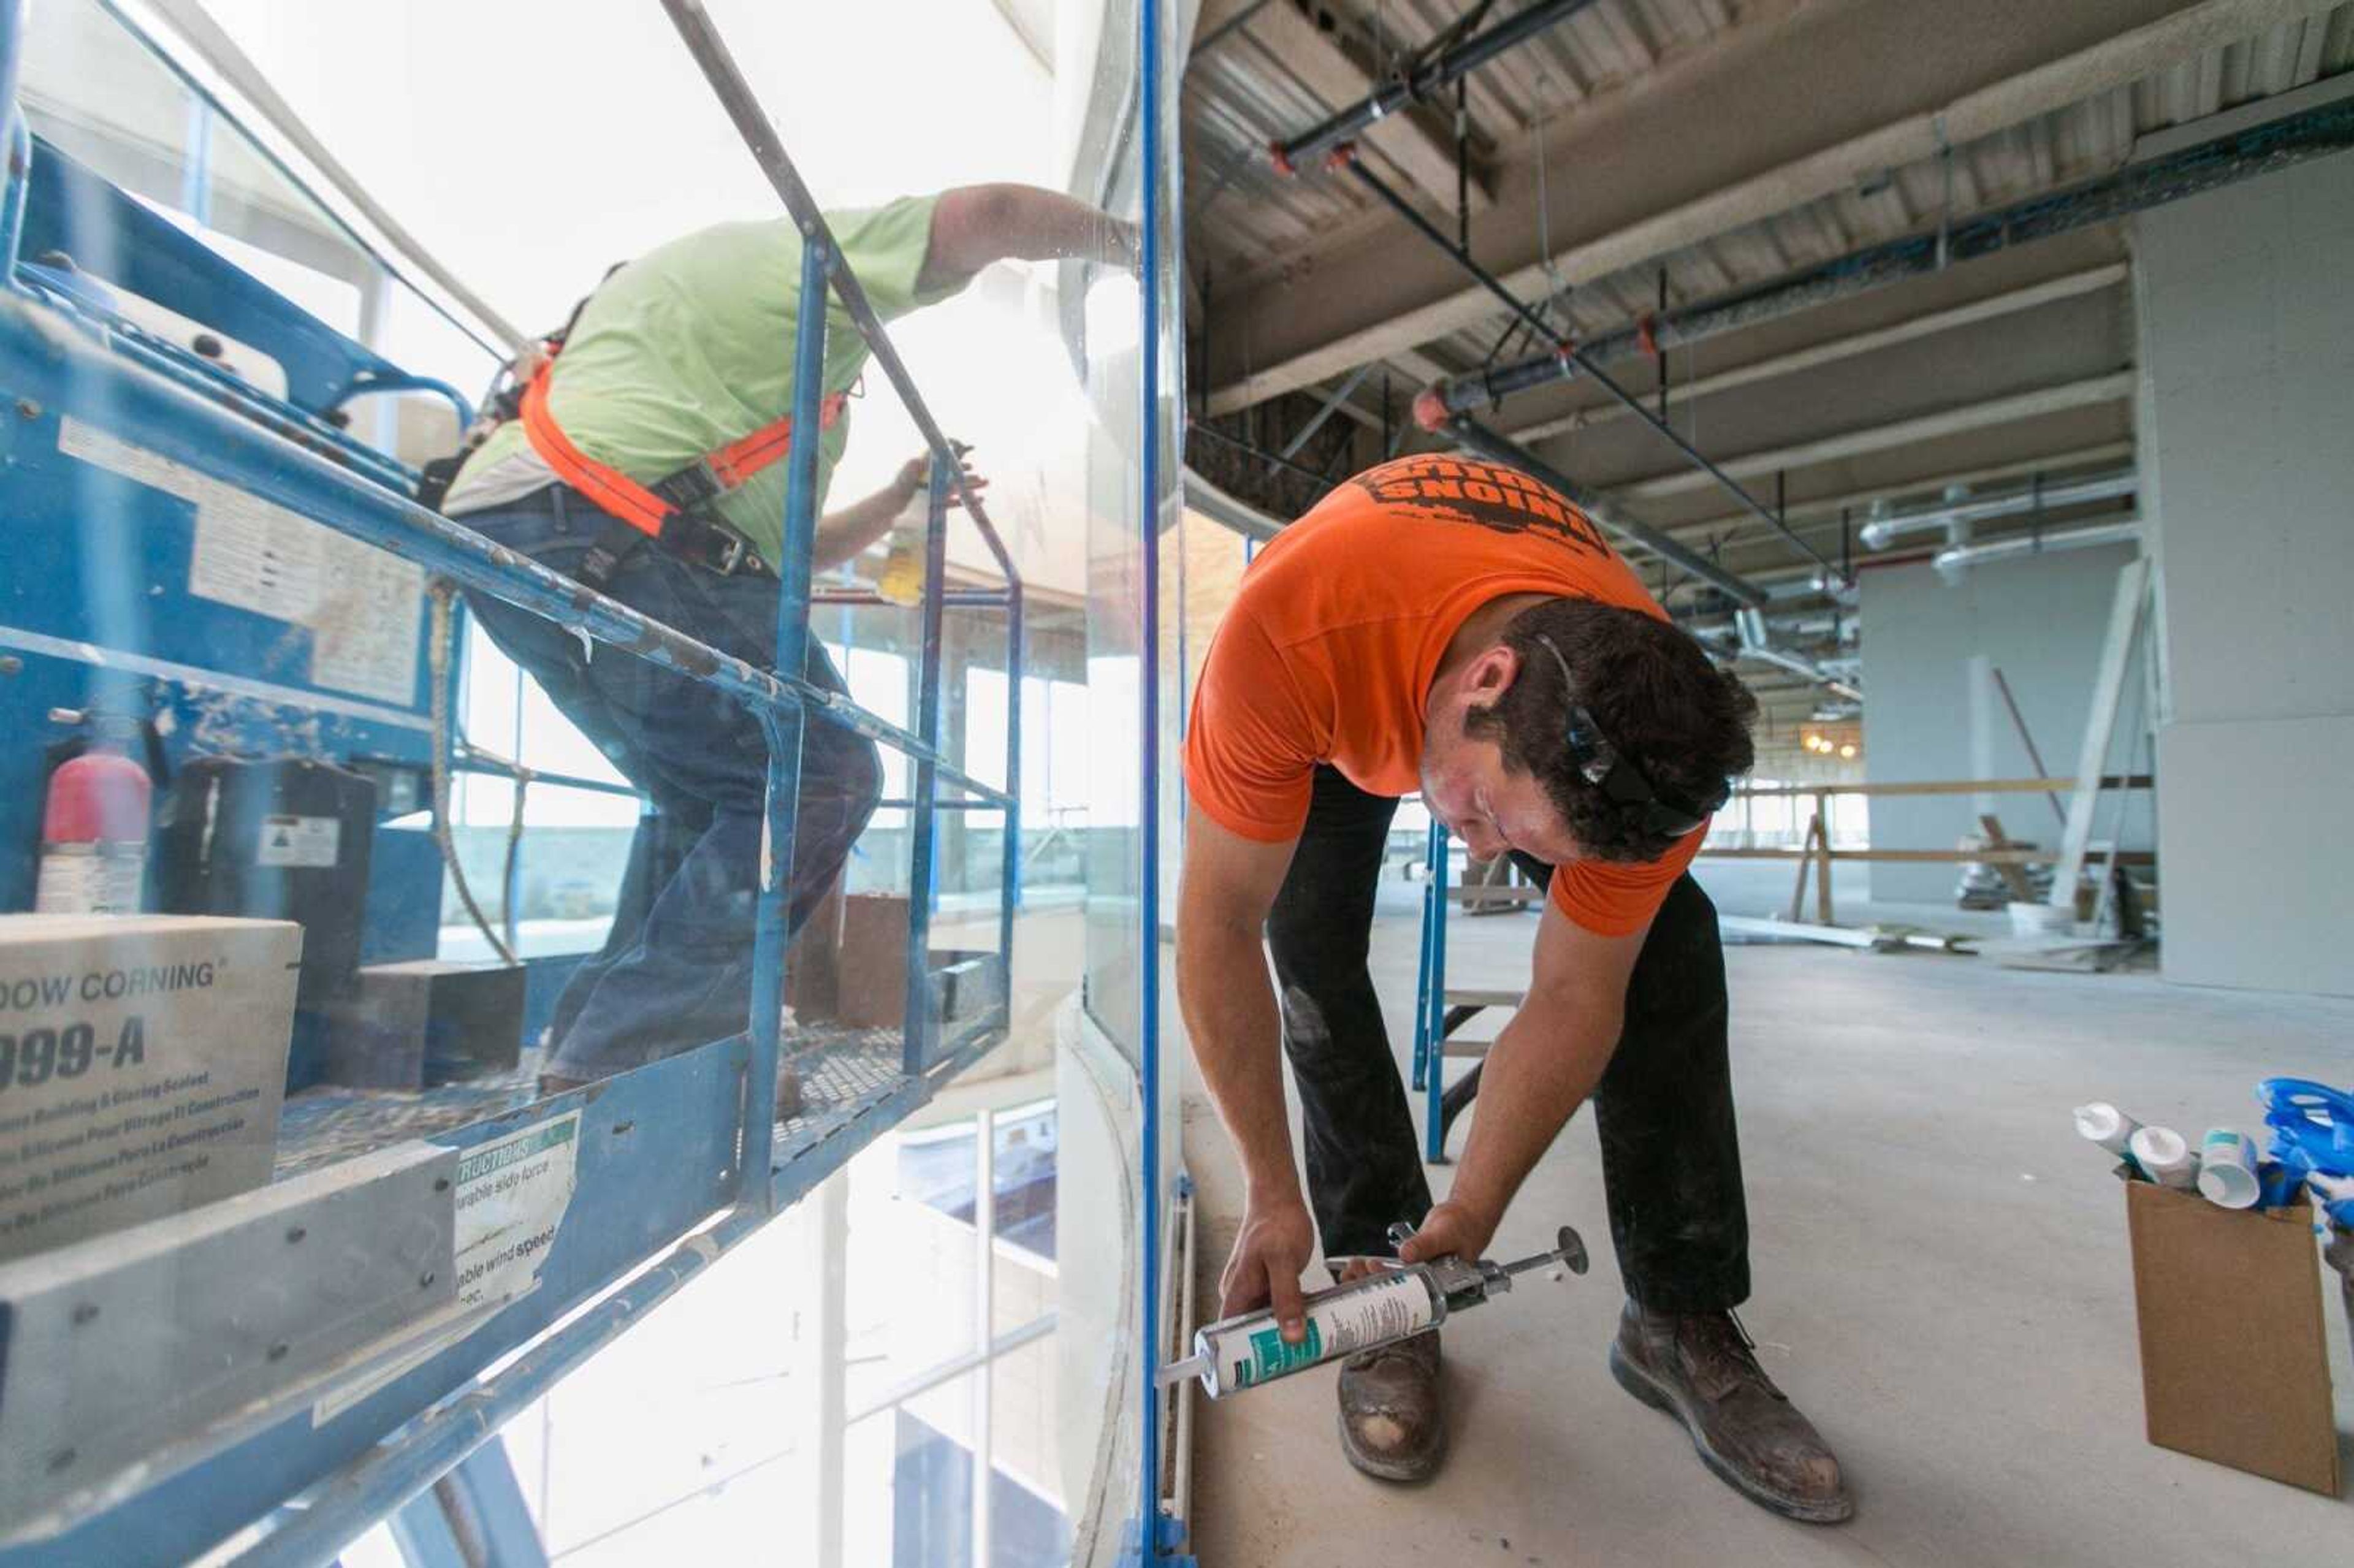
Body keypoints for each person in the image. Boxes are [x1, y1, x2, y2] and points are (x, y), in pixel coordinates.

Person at [1178, 452, 1850, 1521]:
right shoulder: (1288, 636)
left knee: (1669, 942)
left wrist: (1477, 1204)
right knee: (1306, 936)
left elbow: (1577, 999)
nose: (1484, 858)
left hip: (1483, 650)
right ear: (1487, 686)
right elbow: (1217, 925)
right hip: (1351, 661)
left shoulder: (1657, 741)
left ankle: (1677, 1314)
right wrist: (1268, 1188)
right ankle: (1377, 1287)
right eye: (1488, 815)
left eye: (1516, 844)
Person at [439, 185, 1136, 1094]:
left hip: (519, 532)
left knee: (703, 796)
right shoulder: (811, 260)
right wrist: (1136, 241)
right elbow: (991, 216)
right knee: (825, 771)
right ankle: (638, 1040)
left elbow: (788, 555)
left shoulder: (676, 358)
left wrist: (897, 496)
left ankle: (595, 1032)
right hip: (611, 526)